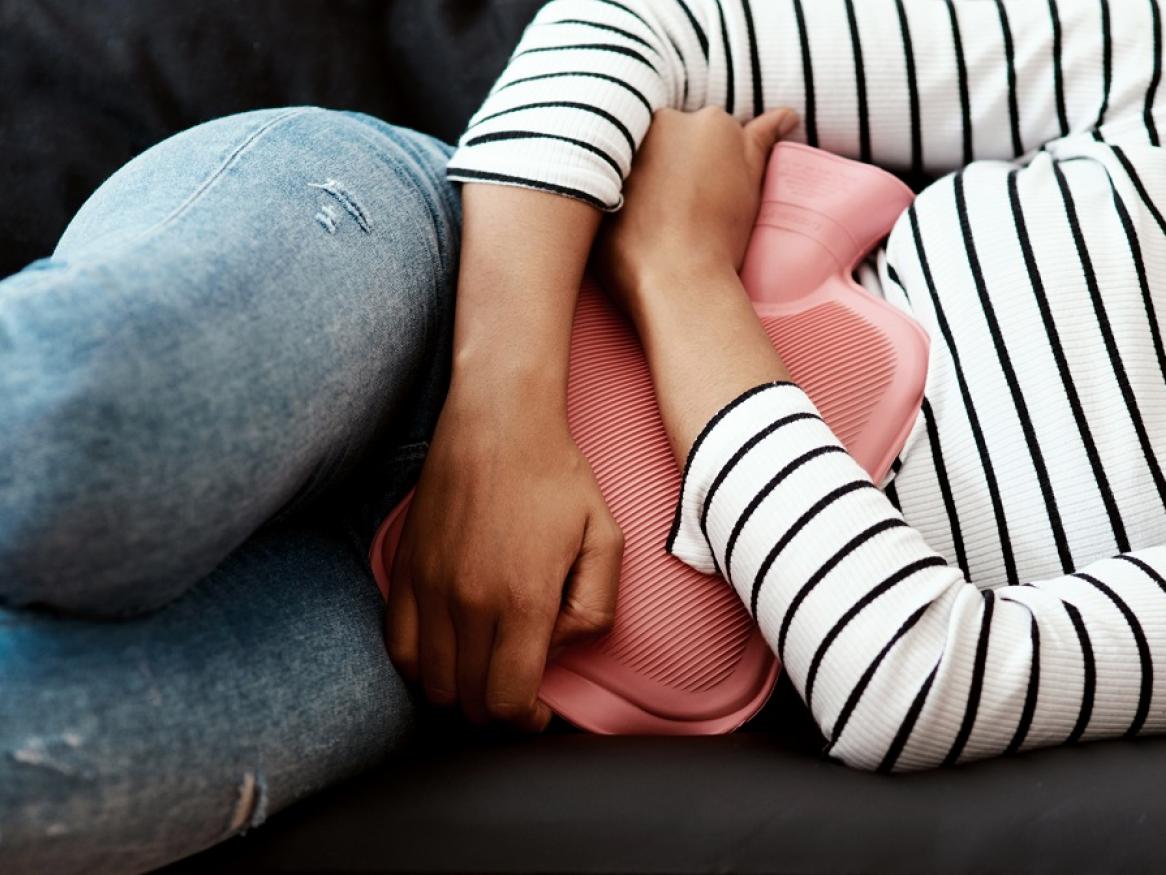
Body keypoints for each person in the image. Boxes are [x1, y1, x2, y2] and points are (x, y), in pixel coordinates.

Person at [1, 0, 1164, 871]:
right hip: (434, 275)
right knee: (76, 429)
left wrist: (682, 275)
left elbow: (912, 678)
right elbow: (639, 24)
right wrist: (499, 421)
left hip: (490, 645)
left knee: (48, 765)